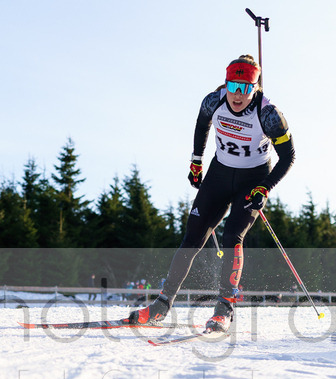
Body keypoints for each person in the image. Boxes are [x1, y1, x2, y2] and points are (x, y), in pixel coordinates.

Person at [126, 55, 295, 332]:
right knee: (193, 235)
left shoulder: (269, 115)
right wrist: (196, 160)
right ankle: (161, 304)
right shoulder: (213, 101)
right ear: (225, 82)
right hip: (219, 174)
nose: (237, 95)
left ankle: (224, 309)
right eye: (232, 86)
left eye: (245, 88)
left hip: (252, 180)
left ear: (255, 87)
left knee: (232, 236)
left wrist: (265, 187)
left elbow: (288, 156)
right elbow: (201, 125)